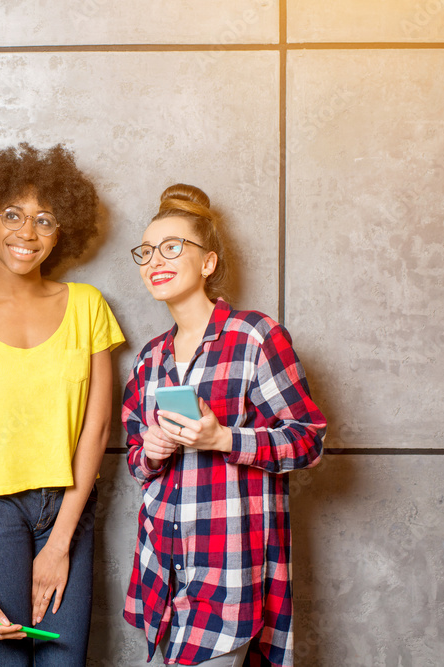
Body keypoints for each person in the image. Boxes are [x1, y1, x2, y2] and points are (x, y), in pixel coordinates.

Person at [0, 143, 124, 666]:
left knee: (64, 661)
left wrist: (60, 545)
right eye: (12, 215)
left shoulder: (87, 306)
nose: (26, 233)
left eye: (44, 220)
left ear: (62, 232)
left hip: (69, 507)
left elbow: (97, 431)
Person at [122, 184, 326, 667]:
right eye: (147, 251)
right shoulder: (150, 358)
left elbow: (308, 439)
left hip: (229, 574)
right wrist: (149, 449)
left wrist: (223, 438)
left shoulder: (255, 336)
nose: (156, 260)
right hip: (163, 574)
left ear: (207, 263)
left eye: (173, 247)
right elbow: (135, 457)